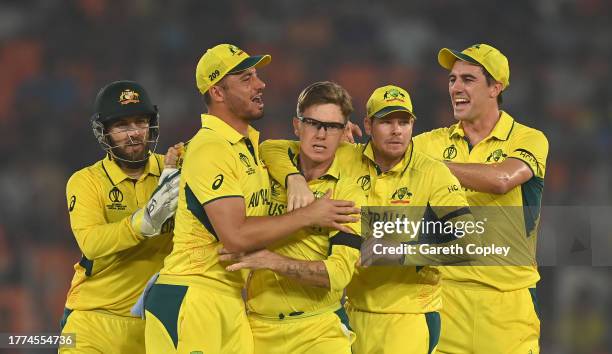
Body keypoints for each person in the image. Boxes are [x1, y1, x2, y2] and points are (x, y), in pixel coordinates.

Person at [143, 44, 360, 354]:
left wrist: (342, 147)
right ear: (217, 93)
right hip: (193, 294)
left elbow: (278, 149)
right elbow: (236, 236)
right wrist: (310, 214)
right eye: (246, 79)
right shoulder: (211, 148)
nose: (260, 85)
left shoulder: (250, 147)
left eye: (257, 76)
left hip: (231, 301)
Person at [260, 84, 475, 354]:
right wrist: (293, 178)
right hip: (353, 309)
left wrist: (400, 252)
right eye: (386, 121)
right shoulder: (348, 156)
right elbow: (273, 149)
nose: (397, 130)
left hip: (408, 315)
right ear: (367, 125)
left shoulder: (432, 173)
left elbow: (469, 240)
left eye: (404, 122)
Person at [411, 43, 549, 354]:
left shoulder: (528, 139)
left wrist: (431, 168)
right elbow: (380, 156)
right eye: (452, 80)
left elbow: (502, 179)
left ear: (495, 88)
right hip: (443, 301)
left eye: (468, 79)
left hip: (508, 308)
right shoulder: (429, 142)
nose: (455, 87)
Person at [219, 81, 365, 354]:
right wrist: (293, 178)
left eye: (332, 127)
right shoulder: (268, 168)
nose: (321, 134)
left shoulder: (347, 192)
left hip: (319, 332)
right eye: (312, 123)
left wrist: (269, 261)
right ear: (297, 126)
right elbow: (267, 148)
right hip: (257, 330)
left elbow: (339, 274)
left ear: (344, 132)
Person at [59, 80, 181, 353]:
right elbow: (91, 243)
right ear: (104, 132)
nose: (134, 133)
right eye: (122, 126)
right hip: (93, 321)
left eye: (140, 122)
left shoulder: (172, 171)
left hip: (153, 324)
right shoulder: (86, 181)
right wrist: (144, 222)